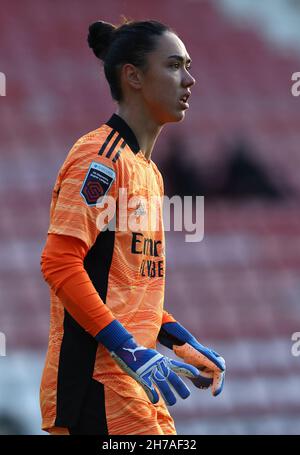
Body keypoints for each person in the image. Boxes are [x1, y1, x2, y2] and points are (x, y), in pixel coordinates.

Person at [40, 19, 225, 436]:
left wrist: (179, 339)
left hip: (136, 385)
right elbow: (59, 263)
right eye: (175, 66)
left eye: (189, 65)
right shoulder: (100, 159)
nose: (190, 79)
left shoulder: (149, 173)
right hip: (96, 386)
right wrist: (129, 349)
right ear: (134, 76)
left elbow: (123, 285)